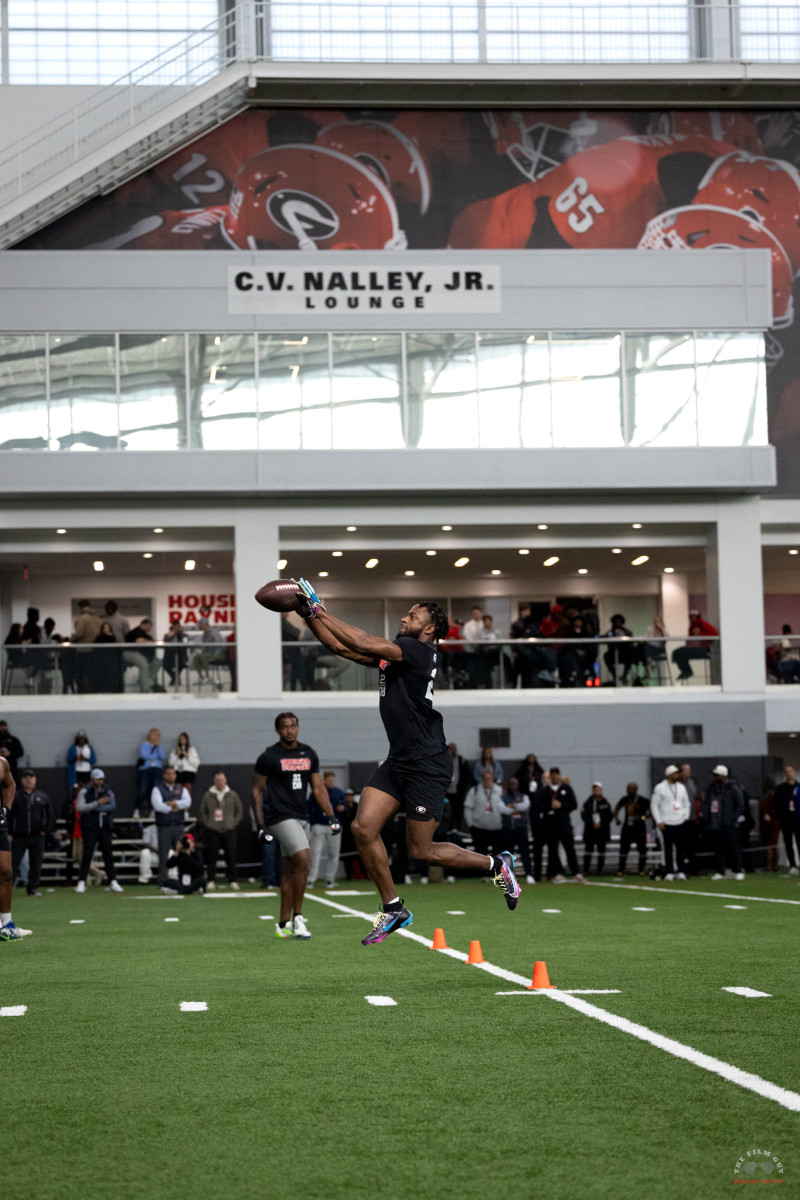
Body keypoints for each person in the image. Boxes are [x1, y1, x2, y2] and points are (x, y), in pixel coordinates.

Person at [284, 580, 522, 943]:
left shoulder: (415, 650)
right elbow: (340, 647)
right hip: (400, 759)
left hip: (428, 762)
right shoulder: (398, 654)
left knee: (421, 850)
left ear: (429, 629)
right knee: (363, 828)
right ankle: (394, 908)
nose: (404, 617)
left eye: (413, 615)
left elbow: (361, 640)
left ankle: (497, 865)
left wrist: (318, 609)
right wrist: (307, 614)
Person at [252, 711, 338, 939]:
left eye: (293, 726)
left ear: (298, 727)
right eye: (284, 727)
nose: (289, 730)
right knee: (305, 861)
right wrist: (260, 824)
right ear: (277, 730)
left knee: (291, 871)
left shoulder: (308, 753)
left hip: (303, 817)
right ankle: (298, 918)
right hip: (280, 817)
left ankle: (282, 925)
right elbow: (256, 790)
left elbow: (318, 788)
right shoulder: (269, 756)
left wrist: (331, 817)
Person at [75, 768, 124, 893]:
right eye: (97, 779)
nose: (100, 781)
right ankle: (81, 882)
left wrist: (93, 807)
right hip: (90, 827)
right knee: (87, 855)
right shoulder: (85, 791)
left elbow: (112, 806)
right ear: (92, 779)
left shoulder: (108, 791)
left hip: (105, 827)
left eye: (101, 779)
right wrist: (97, 803)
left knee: (108, 854)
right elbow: (80, 808)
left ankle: (113, 881)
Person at [0, 758, 32, 939]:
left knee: (5, 872)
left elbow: (10, 784)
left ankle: (6, 925)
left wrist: (6, 808)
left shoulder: (2, 763)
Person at [9, 769, 54, 896]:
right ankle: (7, 888)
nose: (28, 780)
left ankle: (32, 888)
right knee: (13, 862)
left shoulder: (42, 796)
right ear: (22, 780)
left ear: (35, 780)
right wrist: (10, 832)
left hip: (37, 836)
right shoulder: (15, 796)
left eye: (31, 777)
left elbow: (50, 814)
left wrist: (45, 830)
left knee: (36, 863)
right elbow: (9, 815)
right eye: (26, 777)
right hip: (19, 836)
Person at [198, 770, 243, 890]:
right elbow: (202, 811)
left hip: (229, 830)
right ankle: (211, 880)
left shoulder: (232, 795)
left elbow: (239, 811)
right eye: (217, 780)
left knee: (231, 856)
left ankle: (233, 880)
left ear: (225, 780)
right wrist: (209, 823)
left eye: (222, 780)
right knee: (211, 857)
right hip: (213, 831)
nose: (220, 782)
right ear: (214, 781)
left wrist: (233, 823)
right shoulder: (208, 795)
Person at [702, 765, 746, 880]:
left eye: (716, 775)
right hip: (715, 824)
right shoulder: (712, 788)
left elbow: (740, 805)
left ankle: (738, 869)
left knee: (733, 847)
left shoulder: (733, 788)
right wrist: (706, 816)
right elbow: (708, 803)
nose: (714, 777)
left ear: (723, 776)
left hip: (729, 824)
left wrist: (732, 818)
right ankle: (720, 871)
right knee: (718, 848)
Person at [151, 765, 191, 886]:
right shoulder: (157, 789)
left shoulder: (181, 789)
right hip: (164, 825)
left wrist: (173, 804)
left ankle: (183, 880)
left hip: (178, 825)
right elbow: (158, 806)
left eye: (173, 774)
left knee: (182, 852)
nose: (171, 776)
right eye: (168, 774)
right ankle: (162, 881)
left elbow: (188, 802)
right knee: (163, 854)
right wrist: (173, 808)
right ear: (164, 775)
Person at [545, 767, 586, 883]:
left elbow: (574, 805)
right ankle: (558, 873)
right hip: (551, 825)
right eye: (552, 775)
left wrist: (561, 805)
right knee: (553, 850)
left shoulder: (566, 789)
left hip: (565, 824)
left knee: (570, 848)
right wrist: (550, 806)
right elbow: (541, 807)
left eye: (556, 774)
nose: (554, 777)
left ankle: (576, 872)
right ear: (550, 777)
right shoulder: (545, 791)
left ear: (559, 775)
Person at [650, 765, 691, 880]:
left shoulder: (681, 787)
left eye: (678, 773)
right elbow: (654, 805)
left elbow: (686, 803)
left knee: (680, 848)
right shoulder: (660, 788)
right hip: (666, 822)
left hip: (679, 821)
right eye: (675, 773)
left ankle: (681, 870)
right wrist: (659, 820)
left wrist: (685, 816)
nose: (677, 775)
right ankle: (669, 871)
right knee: (668, 848)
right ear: (669, 775)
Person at [308, 770, 344, 888]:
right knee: (315, 853)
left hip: (334, 826)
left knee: (333, 853)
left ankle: (330, 880)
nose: (331, 782)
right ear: (324, 780)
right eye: (329, 780)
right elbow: (309, 809)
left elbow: (346, 808)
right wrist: (313, 823)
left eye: (332, 780)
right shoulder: (316, 792)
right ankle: (311, 879)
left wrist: (342, 808)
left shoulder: (338, 793)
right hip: (319, 825)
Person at [498, 777, 535, 884]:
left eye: (515, 784)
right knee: (508, 853)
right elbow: (502, 809)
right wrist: (514, 808)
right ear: (508, 786)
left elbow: (526, 805)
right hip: (508, 828)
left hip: (521, 828)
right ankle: (508, 876)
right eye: (511, 784)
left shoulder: (523, 796)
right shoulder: (503, 797)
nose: (513, 786)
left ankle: (528, 874)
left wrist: (513, 806)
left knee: (525, 852)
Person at [464, 768, 505, 859]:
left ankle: (495, 873)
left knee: (498, 854)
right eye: (485, 779)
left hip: (497, 829)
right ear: (482, 779)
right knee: (480, 854)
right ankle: (481, 873)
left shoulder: (499, 790)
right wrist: (471, 825)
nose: (487, 781)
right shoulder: (474, 790)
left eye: (489, 778)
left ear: (493, 779)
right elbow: (468, 808)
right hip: (479, 828)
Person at [672, 609, 718, 681]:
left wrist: (701, 634)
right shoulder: (692, 626)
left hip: (703, 650)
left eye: (694, 616)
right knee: (676, 652)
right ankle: (685, 671)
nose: (692, 617)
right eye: (691, 616)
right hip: (694, 648)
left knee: (681, 652)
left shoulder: (703, 624)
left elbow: (714, 634)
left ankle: (687, 671)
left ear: (697, 616)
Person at [613, 783, 649, 876]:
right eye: (628, 789)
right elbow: (616, 809)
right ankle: (621, 869)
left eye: (631, 789)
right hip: (627, 828)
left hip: (639, 827)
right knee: (624, 848)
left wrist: (642, 817)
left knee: (642, 849)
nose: (629, 790)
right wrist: (617, 819)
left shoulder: (643, 800)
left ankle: (641, 869)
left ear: (636, 789)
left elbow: (652, 813)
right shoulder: (625, 799)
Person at [581, 782, 613, 875]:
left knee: (601, 850)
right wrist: (592, 823)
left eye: (598, 789)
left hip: (602, 831)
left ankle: (600, 869)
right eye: (595, 790)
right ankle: (586, 869)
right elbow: (584, 816)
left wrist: (601, 823)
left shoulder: (605, 803)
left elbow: (609, 816)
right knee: (588, 850)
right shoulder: (588, 803)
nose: (596, 791)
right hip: (590, 830)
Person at [773, 766, 799, 874]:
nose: (789, 774)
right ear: (784, 774)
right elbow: (776, 805)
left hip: (798, 819)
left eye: (791, 771)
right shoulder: (781, 788)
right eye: (786, 772)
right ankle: (792, 865)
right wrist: (780, 817)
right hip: (786, 820)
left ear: (794, 773)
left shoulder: (798, 787)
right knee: (788, 843)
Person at [72, 600, 102, 693]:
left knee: (81, 674)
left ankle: (82, 692)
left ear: (81, 607)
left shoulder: (82, 618)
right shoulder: (98, 618)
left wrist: (71, 639)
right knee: (92, 675)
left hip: (83, 650)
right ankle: (94, 692)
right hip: (96, 651)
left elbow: (79, 633)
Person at [124, 618, 159, 693]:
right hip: (129, 652)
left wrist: (150, 640)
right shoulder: (137, 631)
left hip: (140, 654)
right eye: (148, 627)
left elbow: (154, 641)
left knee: (157, 662)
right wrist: (149, 641)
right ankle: (144, 689)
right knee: (143, 664)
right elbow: (139, 641)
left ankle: (147, 683)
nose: (149, 629)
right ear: (143, 625)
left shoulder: (145, 634)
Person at [136, 727, 165, 818]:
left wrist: (158, 746)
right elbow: (144, 755)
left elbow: (163, 756)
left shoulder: (159, 746)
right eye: (157, 734)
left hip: (156, 770)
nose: (158, 737)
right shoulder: (144, 745)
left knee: (155, 791)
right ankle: (137, 810)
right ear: (151, 735)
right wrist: (154, 757)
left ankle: (154, 811)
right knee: (143, 790)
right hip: (146, 770)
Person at [445, 742, 473, 831]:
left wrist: (462, 789)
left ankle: (458, 830)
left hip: (458, 792)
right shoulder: (443, 760)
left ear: (456, 750)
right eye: (450, 748)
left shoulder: (462, 760)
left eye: (453, 748)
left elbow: (467, 776)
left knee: (458, 811)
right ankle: (449, 830)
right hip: (447, 792)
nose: (451, 750)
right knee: (448, 812)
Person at [192, 618, 225, 684]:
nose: (199, 626)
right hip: (209, 654)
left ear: (204, 625)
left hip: (219, 653)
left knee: (204, 656)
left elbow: (219, 645)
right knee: (196, 657)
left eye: (200, 625)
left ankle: (207, 677)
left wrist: (216, 655)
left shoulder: (213, 632)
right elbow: (205, 647)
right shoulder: (204, 634)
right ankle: (201, 677)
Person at [168, 731, 200, 796]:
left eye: (183, 739)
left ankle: (187, 805)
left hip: (188, 772)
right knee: (178, 790)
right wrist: (176, 756)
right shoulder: (175, 750)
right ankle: (178, 805)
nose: (182, 741)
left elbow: (196, 763)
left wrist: (187, 756)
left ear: (187, 740)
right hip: (178, 772)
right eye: (180, 739)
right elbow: (171, 763)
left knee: (187, 791)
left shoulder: (191, 750)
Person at [94, 620, 122, 692]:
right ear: (102, 629)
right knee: (103, 676)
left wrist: (111, 636)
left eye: (108, 628)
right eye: (105, 628)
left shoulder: (113, 637)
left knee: (111, 676)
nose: (106, 629)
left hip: (111, 661)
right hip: (101, 661)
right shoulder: (99, 638)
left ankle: (112, 689)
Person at [759, 782, 780, 872]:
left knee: (770, 846)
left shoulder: (771, 799)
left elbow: (768, 811)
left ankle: (770, 865)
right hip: (773, 824)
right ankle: (774, 865)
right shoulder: (773, 798)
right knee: (774, 845)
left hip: (771, 825)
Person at [162, 620, 188, 687]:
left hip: (181, 656)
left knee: (181, 664)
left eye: (178, 627)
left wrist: (180, 636)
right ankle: (176, 678)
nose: (176, 629)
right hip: (170, 656)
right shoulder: (167, 635)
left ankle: (175, 679)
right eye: (175, 627)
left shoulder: (184, 635)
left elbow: (184, 644)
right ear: (172, 627)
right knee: (165, 665)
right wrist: (169, 637)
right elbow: (166, 644)